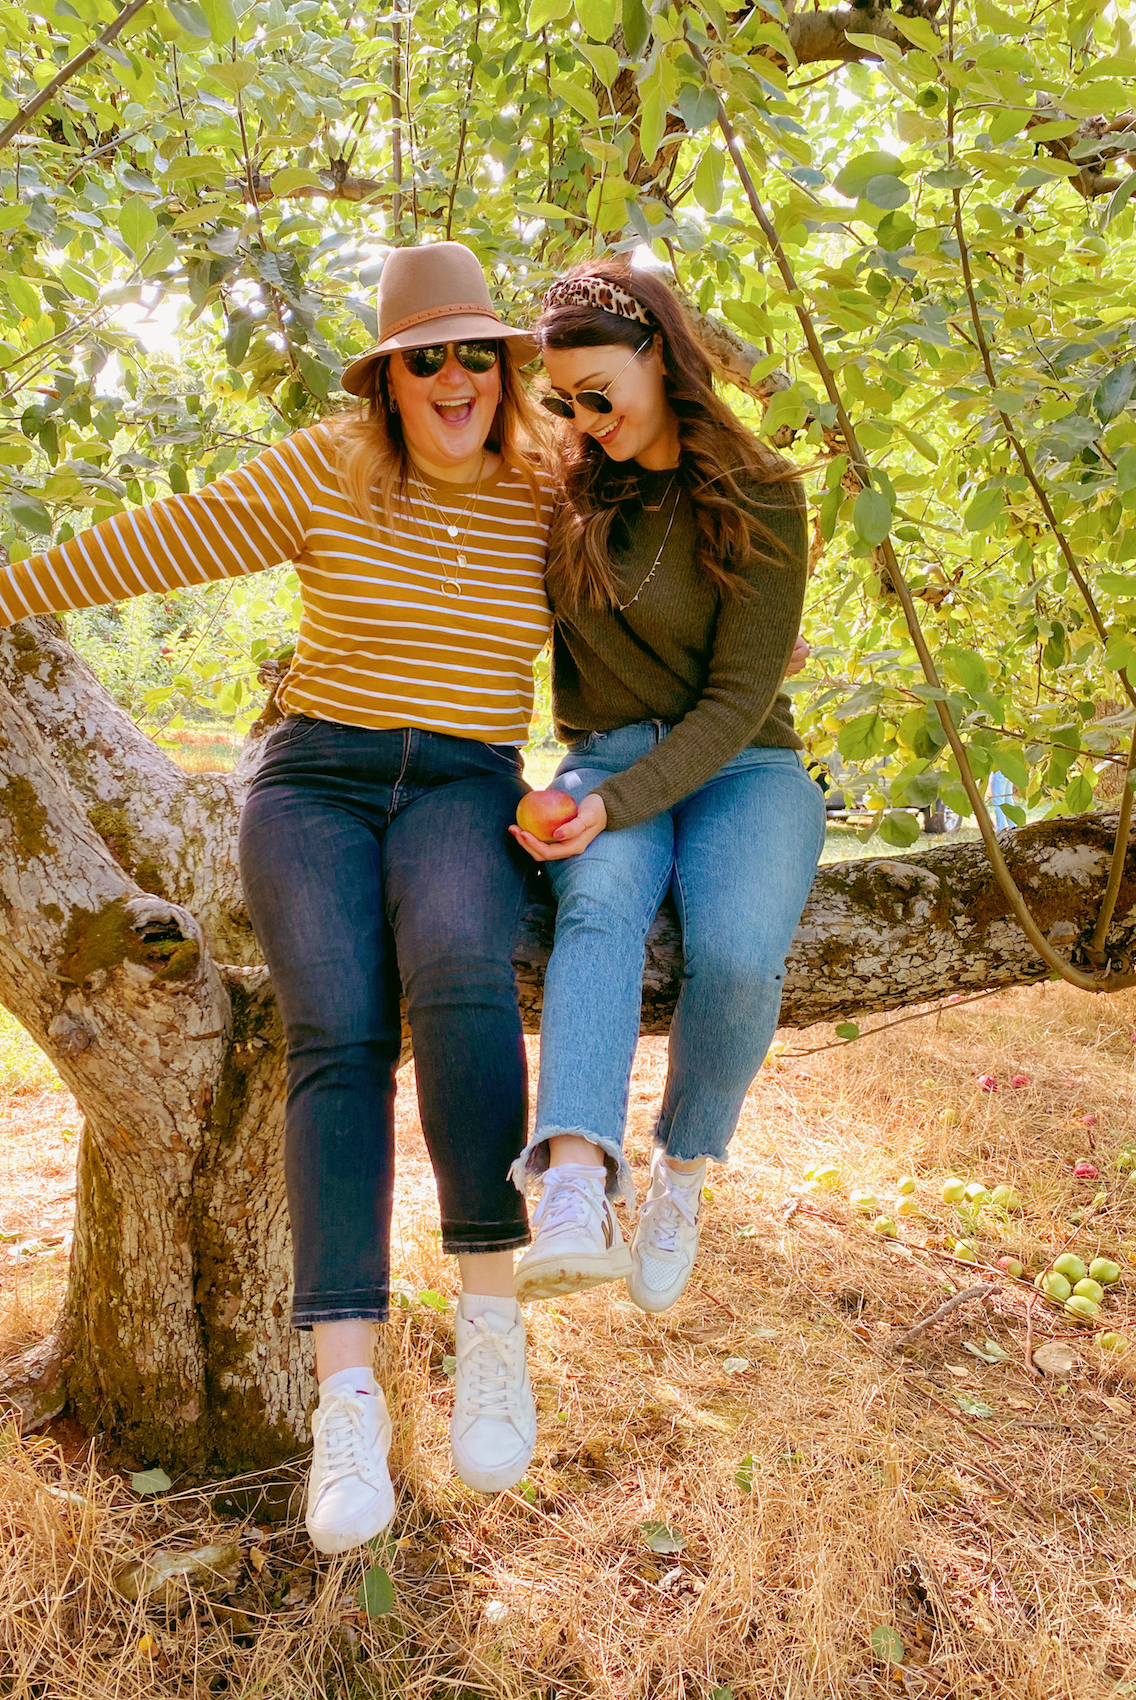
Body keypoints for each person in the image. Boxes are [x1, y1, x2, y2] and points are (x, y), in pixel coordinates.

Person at [0, 241, 552, 1553]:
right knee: (340, 1042)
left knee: (466, 976)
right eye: (426, 356)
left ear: (502, 368)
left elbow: (655, 576)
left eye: (477, 352)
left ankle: (492, 1326)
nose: (455, 377)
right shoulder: (327, 465)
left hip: (465, 791)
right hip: (314, 781)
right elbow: (164, 537)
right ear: (386, 377)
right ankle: (347, 1408)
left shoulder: (549, 489)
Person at [508, 260, 825, 1314]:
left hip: (746, 762)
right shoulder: (560, 488)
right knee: (596, 905)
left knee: (736, 954)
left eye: (601, 391)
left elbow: (737, 699)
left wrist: (614, 803)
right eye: (565, 400)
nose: (585, 419)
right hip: (601, 750)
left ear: (665, 357)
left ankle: (682, 1168)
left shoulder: (764, 492)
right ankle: (574, 1179)